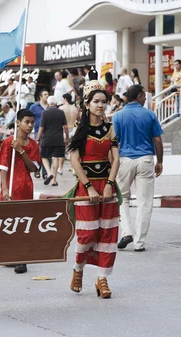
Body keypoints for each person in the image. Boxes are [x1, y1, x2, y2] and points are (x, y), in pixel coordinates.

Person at [67, 80, 120, 299]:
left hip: (107, 186)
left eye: (104, 102)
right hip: (85, 187)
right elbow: (75, 161)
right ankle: (78, 269)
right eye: (96, 102)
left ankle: (102, 279)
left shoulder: (110, 129)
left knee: (108, 234)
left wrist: (109, 184)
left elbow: (116, 159)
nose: (100, 105)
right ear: (87, 104)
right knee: (87, 234)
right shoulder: (79, 131)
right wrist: (89, 187)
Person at [113, 85, 163, 252]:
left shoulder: (118, 116)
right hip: (145, 160)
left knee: (122, 198)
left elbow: (114, 142)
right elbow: (157, 140)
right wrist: (160, 161)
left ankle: (127, 231)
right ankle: (139, 243)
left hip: (124, 160)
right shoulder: (149, 114)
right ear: (140, 96)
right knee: (145, 202)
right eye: (144, 96)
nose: (145, 99)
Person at [0, 109, 40, 274]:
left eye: (32, 123)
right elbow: (3, 167)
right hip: (10, 186)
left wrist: (21, 151)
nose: (29, 126)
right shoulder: (8, 142)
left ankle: (22, 258)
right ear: (18, 123)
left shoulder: (33, 145)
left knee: (24, 222)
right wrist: (5, 187)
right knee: (8, 221)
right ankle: (11, 254)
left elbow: (34, 168)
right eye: (26, 122)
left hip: (26, 187)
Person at [37, 96, 68, 187]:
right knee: (56, 158)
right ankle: (54, 180)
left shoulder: (45, 112)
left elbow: (41, 127)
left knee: (44, 157)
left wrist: (38, 138)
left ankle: (49, 172)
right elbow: (65, 127)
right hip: (58, 139)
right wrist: (67, 138)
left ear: (48, 102)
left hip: (47, 139)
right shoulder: (61, 112)